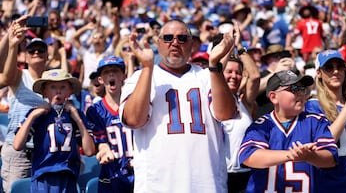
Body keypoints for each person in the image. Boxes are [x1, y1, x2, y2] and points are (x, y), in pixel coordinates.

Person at [119, 19, 237, 192]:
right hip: (157, 185)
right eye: (168, 38)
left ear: (191, 44)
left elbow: (225, 113)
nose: (175, 43)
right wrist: (146, 67)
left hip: (207, 184)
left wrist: (215, 66)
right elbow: (133, 120)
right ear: (158, 43)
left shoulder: (207, 76)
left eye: (182, 38)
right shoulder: (139, 78)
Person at [239, 70, 338, 193]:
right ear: (274, 97)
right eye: (293, 88)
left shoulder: (316, 121)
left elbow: (331, 158)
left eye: (302, 89)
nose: (300, 93)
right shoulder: (262, 125)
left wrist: (311, 156)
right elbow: (249, 157)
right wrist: (290, 155)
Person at [13, 69, 95, 193]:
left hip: (68, 174)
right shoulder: (37, 114)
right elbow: (17, 145)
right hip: (43, 175)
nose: (58, 91)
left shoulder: (75, 114)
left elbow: (89, 151)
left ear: (70, 91)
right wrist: (32, 116)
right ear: (44, 92)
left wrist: (77, 119)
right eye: (52, 87)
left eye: (63, 87)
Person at [0, 15, 48, 193]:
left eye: (40, 50)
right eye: (32, 50)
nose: (36, 52)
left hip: (44, 152)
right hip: (18, 153)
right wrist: (10, 39)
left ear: (47, 56)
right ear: (25, 56)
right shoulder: (19, 76)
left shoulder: (53, 80)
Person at [305, 49, 346, 192]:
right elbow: (325, 142)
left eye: (339, 66)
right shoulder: (313, 106)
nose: (335, 71)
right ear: (319, 73)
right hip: (331, 186)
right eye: (329, 67)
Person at [86, 56, 134, 193]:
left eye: (115, 70)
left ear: (123, 76)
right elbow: (101, 141)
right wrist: (104, 150)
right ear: (100, 79)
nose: (111, 74)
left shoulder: (135, 104)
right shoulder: (95, 111)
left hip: (138, 172)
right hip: (111, 174)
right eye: (106, 72)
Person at [221, 22, 260, 192]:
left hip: (247, 174)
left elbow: (255, 76)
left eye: (237, 72)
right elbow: (214, 71)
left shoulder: (244, 101)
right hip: (220, 174)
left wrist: (239, 47)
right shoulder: (209, 99)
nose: (234, 76)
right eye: (229, 72)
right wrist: (228, 47)